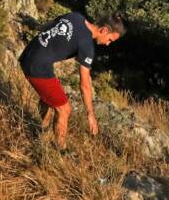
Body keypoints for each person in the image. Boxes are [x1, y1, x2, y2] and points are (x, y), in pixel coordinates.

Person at [19, 12, 125, 149]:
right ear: (104, 30)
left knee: (50, 99)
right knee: (64, 110)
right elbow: (85, 84)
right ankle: (60, 151)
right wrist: (90, 114)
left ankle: (38, 134)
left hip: (29, 52)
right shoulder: (87, 46)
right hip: (37, 66)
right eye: (110, 39)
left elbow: (48, 26)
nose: (108, 44)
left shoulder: (76, 17)